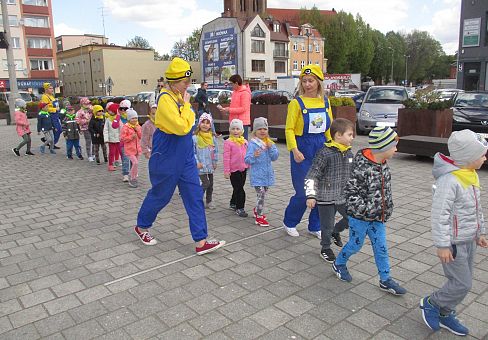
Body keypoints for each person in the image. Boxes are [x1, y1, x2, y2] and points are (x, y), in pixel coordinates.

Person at [134, 57, 225, 254]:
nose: (188, 86)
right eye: (186, 82)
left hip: (184, 155)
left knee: (194, 195)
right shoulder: (165, 99)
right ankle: (141, 226)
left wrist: (186, 109)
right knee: (161, 195)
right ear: (174, 82)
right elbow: (184, 126)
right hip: (167, 153)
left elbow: (189, 123)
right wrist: (186, 107)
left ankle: (201, 241)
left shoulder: (178, 97)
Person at [420, 129, 488, 336]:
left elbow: (476, 209)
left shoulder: (470, 175)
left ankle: (445, 312)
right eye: (482, 154)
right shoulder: (450, 181)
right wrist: (442, 245)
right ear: (468, 157)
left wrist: (480, 232)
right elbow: (439, 215)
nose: (485, 158)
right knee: (462, 283)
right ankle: (432, 303)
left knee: (462, 282)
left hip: (468, 239)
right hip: (453, 244)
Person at [332, 126, 407, 296]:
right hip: (360, 217)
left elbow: (385, 190)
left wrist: (387, 207)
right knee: (355, 244)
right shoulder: (362, 168)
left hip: (378, 217)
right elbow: (351, 193)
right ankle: (339, 263)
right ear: (383, 147)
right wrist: (365, 210)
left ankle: (385, 279)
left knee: (381, 246)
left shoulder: (383, 164)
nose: (396, 149)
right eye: (394, 145)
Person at [283, 64, 334, 238]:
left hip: (321, 147)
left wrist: (333, 146)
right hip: (302, 149)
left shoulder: (325, 102)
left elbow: (328, 128)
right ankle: (290, 221)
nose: (307, 84)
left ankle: (315, 225)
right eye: (304, 81)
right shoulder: (296, 103)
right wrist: (294, 150)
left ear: (318, 82)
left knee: (321, 190)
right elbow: (289, 129)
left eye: (311, 81)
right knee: (304, 191)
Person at [305, 118, 355, 263]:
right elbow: (312, 175)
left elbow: (353, 175)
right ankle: (325, 248)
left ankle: (336, 231)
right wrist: (311, 195)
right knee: (326, 225)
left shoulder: (349, 154)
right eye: (350, 134)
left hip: (343, 196)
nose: (352, 138)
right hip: (325, 197)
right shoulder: (324, 153)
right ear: (338, 135)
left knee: (351, 218)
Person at [244, 117, 279, 227]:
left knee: (263, 193)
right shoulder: (253, 144)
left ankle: (256, 209)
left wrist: (272, 147)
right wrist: (254, 156)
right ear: (255, 131)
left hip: (267, 175)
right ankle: (259, 216)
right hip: (257, 175)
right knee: (261, 195)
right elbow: (247, 159)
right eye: (259, 129)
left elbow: (274, 157)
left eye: (264, 129)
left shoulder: (269, 143)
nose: (262, 131)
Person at [192, 113, 219, 209]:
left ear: (210, 125)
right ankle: (197, 199)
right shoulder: (195, 137)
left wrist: (215, 162)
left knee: (210, 185)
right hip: (200, 165)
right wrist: (196, 162)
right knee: (205, 183)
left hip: (210, 165)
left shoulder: (212, 137)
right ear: (199, 124)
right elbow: (193, 152)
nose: (205, 125)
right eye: (203, 122)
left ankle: (209, 201)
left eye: (207, 123)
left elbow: (215, 151)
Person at [223, 118, 248, 216]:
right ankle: (240, 208)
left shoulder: (245, 141)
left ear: (242, 131)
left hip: (243, 168)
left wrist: (249, 164)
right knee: (240, 189)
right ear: (230, 130)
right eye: (233, 129)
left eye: (238, 129)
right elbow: (226, 158)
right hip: (234, 170)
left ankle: (233, 202)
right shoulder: (228, 142)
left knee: (238, 187)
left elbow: (248, 154)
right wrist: (226, 171)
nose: (235, 131)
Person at [217, 74, 251, 139]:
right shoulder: (235, 92)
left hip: (242, 122)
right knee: (233, 143)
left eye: (232, 84)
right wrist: (226, 111)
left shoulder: (245, 93)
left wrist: (229, 110)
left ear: (236, 83)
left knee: (242, 143)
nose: (231, 86)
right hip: (234, 120)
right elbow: (234, 106)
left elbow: (243, 108)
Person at [120, 108, 142, 188]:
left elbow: (141, 136)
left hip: (137, 149)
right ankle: (132, 177)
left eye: (136, 118)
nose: (135, 119)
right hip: (129, 149)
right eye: (133, 118)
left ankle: (134, 177)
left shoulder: (138, 126)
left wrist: (138, 130)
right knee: (135, 163)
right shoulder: (125, 127)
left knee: (135, 164)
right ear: (129, 119)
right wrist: (131, 137)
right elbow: (122, 138)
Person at [112, 99, 132, 182]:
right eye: (121, 108)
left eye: (125, 108)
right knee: (125, 158)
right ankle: (126, 174)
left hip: (132, 142)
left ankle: (132, 171)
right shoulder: (118, 118)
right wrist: (117, 115)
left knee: (133, 159)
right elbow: (114, 125)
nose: (123, 110)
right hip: (123, 142)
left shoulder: (131, 117)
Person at [40, 82, 61, 149]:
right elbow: (45, 108)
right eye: (50, 88)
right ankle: (51, 144)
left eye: (52, 88)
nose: (52, 89)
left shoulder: (52, 96)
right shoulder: (44, 97)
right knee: (58, 129)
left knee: (57, 130)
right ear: (46, 89)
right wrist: (55, 109)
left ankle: (48, 140)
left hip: (56, 115)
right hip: (51, 115)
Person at [104, 103, 122, 171]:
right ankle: (110, 164)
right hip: (111, 139)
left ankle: (118, 161)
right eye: (109, 110)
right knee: (112, 152)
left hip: (118, 139)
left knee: (119, 151)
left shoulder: (119, 119)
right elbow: (105, 129)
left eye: (110, 110)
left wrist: (122, 137)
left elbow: (121, 128)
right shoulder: (108, 119)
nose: (109, 112)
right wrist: (106, 139)